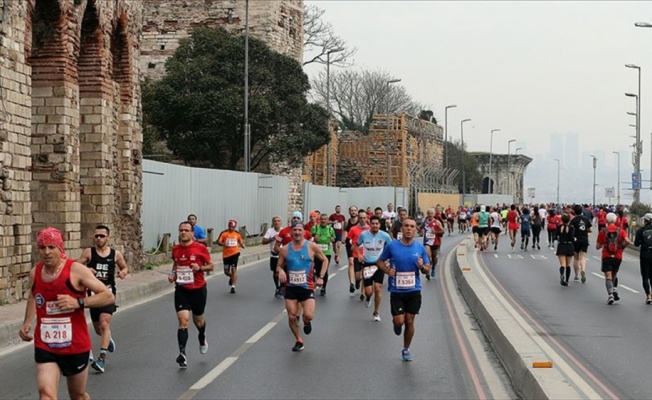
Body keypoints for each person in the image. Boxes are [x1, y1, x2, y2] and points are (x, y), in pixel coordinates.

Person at [19, 227, 115, 400]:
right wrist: (27, 322)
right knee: (46, 394)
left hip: (75, 345)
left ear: (60, 248)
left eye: (51, 247)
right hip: (46, 344)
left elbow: (108, 296)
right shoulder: (35, 272)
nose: (46, 252)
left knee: (77, 395)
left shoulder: (76, 270)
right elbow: (33, 296)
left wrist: (78, 302)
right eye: (42, 248)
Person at [376, 218, 430, 362]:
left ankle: (406, 348)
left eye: (412, 226)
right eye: (406, 226)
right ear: (401, 229)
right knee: (400, 321)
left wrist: (422, 267)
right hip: (397, 291)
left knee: (410, 321)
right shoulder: (393, 247)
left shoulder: (420, 248)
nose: (408, 229)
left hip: (414, 290)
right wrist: (388, 271)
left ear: (416, 230)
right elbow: (379, 261)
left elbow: (426, 269)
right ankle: (396, 325)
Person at [77, 225, 128, 373]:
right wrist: (86, 270)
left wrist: (123, 272)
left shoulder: (115, 254)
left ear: (108, 238)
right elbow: (75, 265)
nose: (98, 238)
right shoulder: (89, 253)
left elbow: (124, 267)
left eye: (101, 236)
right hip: (93, 295)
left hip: (108, 294)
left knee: (105, 324)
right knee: (99, 329)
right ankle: (108, 337)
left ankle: (102, 359)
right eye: (96, 236)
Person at [276, 222, 327, 352]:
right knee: (292, 316)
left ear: (304, 232)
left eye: (300, 230)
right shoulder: (285, 249)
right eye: (295, 230)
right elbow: (278, 266)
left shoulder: (311, 246)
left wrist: (320, 276)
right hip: (291, 288)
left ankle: (306, 321)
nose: (297, 232)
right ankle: (299, 340)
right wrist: (280, 271)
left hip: (307, 287)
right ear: (291, 233)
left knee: (309, 314)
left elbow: (325, 260)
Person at [169, 221, 214, 368]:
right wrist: (173, 274)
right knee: (183, 321)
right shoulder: (175, 249)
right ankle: (182, 354)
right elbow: (175, 265)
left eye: (186, 230)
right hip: (182, 289)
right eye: (181, 230)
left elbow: (211, 266)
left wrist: (199, 267)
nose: (183, 233)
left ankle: (202, 337)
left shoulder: (200, 248)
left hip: (198, 289)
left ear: (192, 233)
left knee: (198, 321)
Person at [354, 215, 392, 321]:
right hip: (367, 264)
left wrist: (388, 261)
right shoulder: (364, 235)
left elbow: (392, 248)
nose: (375, 225)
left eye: (377, 224)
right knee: (369, 291)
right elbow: (355, 245)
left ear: (379, 225)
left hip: (379, 264)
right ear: (369, 224)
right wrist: (359, 255)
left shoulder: (385, 235)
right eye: (373, 223)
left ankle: (376, 312)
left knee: (378, 288)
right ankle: (368, 297)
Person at [596, 213, 630, 304]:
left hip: (606, 255)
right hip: (618, 256)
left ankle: (610, 294)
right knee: (614, 274)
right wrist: (622, 247)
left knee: (608, 276)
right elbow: (628, 241)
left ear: (606, 221)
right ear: (615, 221)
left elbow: (597, 246)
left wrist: (603, 244)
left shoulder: (603, 231)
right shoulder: (621, 231)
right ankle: (614, 289)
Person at [216, 219, 245, 294]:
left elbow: (240, 241)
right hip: (226, 255)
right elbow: (218, 242)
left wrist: (242, 245)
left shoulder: (237, 234)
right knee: (226, 272)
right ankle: (231, 277)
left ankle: (233, 286)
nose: (231, 228)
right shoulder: (224, 233)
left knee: (234, 269)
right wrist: (223, 244)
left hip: (235, 254)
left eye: (233, 227)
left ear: (235, 227)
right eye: (230, 226)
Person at [347, 210, 371, 300]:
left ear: (367, 218)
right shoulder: (353, 229)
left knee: (365, 274)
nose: (362, 220)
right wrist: (351, 248)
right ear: (358, 218)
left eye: (364, 218)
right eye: (360, 218)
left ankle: (363, 293)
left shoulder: (369, 229)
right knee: (358, 276)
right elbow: (348, 240)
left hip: (366, 255)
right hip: (356, 254)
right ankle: (357, 281)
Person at [311, 213, 336, 296]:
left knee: (325, 271)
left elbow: (334, 239)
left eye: (325, 219)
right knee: (317, 270)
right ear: (319, 220)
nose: (323, 221)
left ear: (328, 220)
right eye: (321, 219)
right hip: (316, 253)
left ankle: (323, 288)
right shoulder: (315, 228)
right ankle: (317, 279)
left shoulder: (330, 229)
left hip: (326, 253)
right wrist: (314, 238)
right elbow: (310, 239)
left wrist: (332, 240)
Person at [570, 204, 592, 283]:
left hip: (576, 240)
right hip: (584, 239)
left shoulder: (573, 220)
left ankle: (576, 275)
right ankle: (583, 270)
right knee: (583, 257)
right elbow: (590, 230)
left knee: (576, 258)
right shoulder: (585, 219)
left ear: (574, 212)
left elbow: (570, 230)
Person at [262, 216, 283, 297]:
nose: (276, 222)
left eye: (278, 221)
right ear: (273, 222)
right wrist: (273, 238)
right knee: (276, 273)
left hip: (282, 254)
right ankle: (277, 287)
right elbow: (263, 241)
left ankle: (281, 287)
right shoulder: (270, 231)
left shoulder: (283, 230)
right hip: (274, 255)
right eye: (275, 221)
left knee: (284, 271)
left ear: (280, 222)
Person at [420, 208, 444, 280]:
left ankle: (433, 268)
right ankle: (427, 272)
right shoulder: (425, 222)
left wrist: (436, 232)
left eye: (431, 213)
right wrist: (420, 231)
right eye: (428, 213)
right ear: (427, 214)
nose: (430, 215)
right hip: (427, 242)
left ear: (434, 214)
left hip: (435, 242)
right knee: (427, 256)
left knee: (434, 257)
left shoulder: (437, 222)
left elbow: (442, 231)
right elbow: (419, 228)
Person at [634, 213, 652, 304]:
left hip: (644, 255)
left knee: (645, 277)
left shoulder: (641, 230)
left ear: (645, 221)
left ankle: (648, 295)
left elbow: (636, 243)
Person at [342, 206, 360, 294]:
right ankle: (351, 284)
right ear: (349, 212)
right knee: (351, 262)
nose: (353, 212)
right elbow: (344, 231)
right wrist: (343, 238)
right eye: (351, 210)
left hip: (359, 245)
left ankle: (358, 279)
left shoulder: (360, 222)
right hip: (349, 244)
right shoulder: (346, 222)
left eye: (355, 210)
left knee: (358, 264)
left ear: (357, 212)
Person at [555, 214, 575, 286]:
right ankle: (566, 280)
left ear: (562, 220)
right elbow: (572, 237)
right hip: (569, 246)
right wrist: (574, 239)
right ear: (569, 220)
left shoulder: (559, 227)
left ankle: (562, 274)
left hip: (561, 245)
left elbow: (555, 236)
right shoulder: (571, 227)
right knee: (568, 265)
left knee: (562, 264)